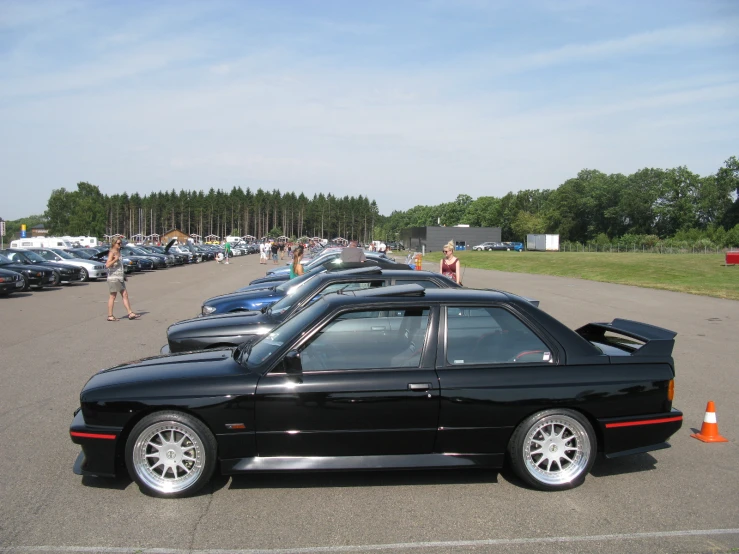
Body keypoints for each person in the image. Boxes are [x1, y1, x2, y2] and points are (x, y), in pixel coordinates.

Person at [105, 239, 140, 321]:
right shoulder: (112, 252)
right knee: (113, 296)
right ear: (114, 243)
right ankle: (110, 316)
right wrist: (115, 259)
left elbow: (120, 266)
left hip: (119, 277)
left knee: (124, 295)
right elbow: (107, 265)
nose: (120, 244)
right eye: (118, 243)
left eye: (121, 243)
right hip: (113, 278)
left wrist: (123, 275)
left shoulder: (118, 252)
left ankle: (130, 313)